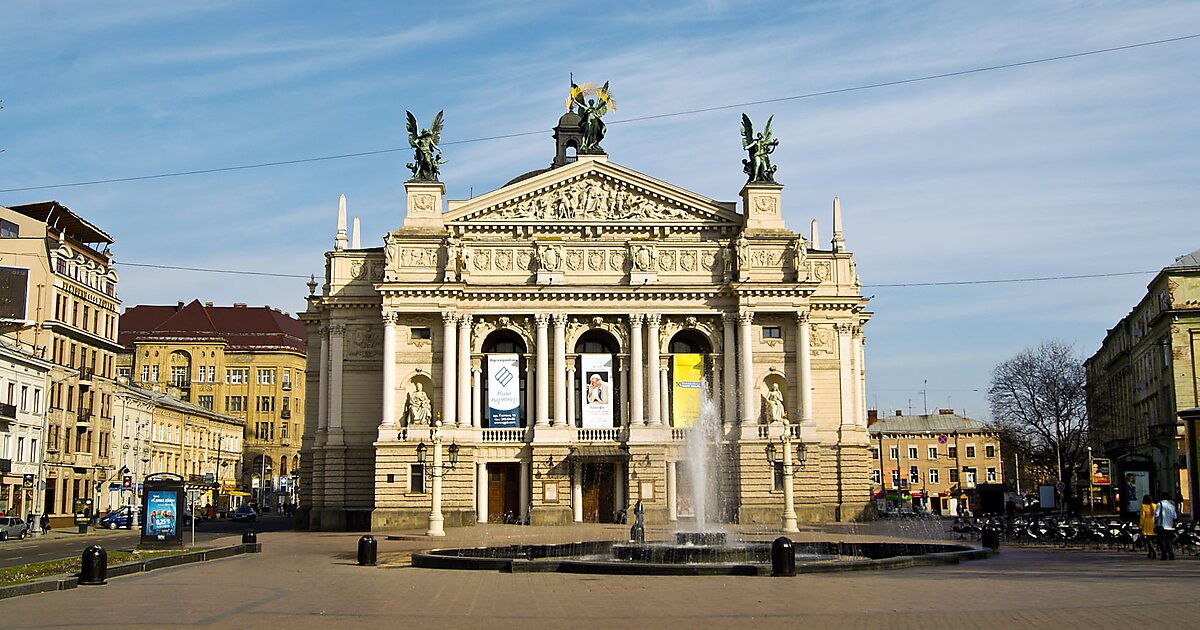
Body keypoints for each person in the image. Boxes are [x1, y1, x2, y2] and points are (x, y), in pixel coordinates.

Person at [1154, 493, 1178, 560]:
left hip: (1161, 525)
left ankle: (1164, 554)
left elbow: (1156, 514)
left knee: (1162, 541)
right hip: (1170, 526)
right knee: (1168, 541)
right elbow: (1175, 516)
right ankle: (1171, 554)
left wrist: (1155, 523)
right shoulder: (1172, 506)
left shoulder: (1159, 504)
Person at [1139, 494, 1157, 558]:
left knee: (1148, 538)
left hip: (1147, 523)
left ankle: (1153, 550)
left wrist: (1141, 525)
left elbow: (1142, 516)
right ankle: (1150, 552)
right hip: (1154, 522)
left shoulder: (1143, 506)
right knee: (1152, 538)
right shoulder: (1155, 505)